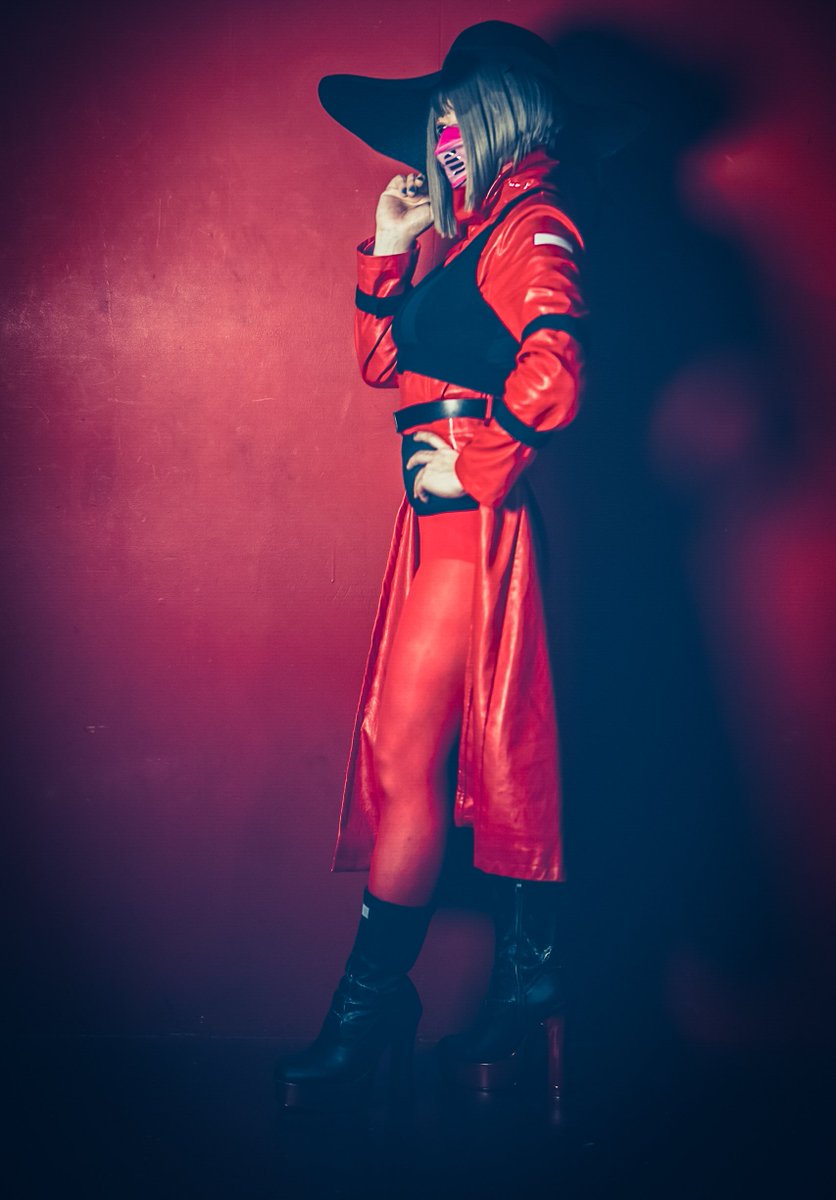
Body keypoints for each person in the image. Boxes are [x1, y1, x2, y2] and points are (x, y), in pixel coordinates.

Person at [275, 21, 587, 1106]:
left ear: (503, 114)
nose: (442, 139)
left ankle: (370, 1012)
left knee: (408, 760)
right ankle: (524, 985)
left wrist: (481, 462)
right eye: (435, 124)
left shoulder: (533, 223)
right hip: (432, 543)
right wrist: (389, 238)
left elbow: (555, 366)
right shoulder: (471, 239)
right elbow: (382, 363)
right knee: (425, 765)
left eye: (457, 118)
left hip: (473, 546)